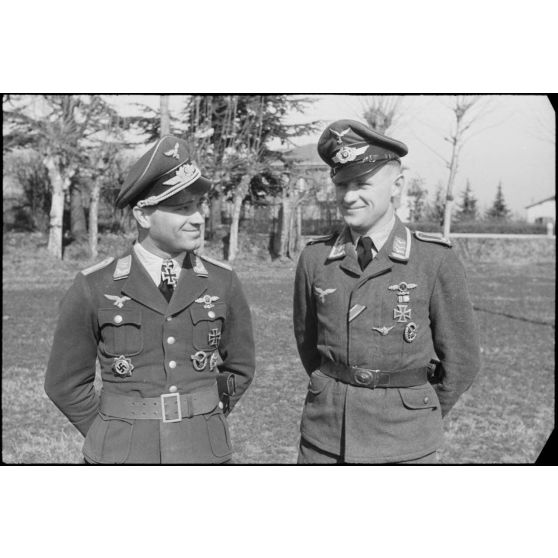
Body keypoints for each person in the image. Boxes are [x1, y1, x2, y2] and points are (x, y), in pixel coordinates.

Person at [45, 135, 255, 464]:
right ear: (144, 215)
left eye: (198, 206)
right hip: (120, 453)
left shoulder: (222, 281)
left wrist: (204, 418)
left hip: (203, 451)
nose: (199, 217)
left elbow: (240, 369)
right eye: (183, 208)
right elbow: (64, 383)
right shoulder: (95, 285)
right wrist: (109, 431)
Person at [293, 120, 481, 464]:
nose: (349, 196)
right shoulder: (315, 259)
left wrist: (414, 411)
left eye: (362, 184)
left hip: (405, 443)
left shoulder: (434, 260)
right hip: (325, 439)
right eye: (342, 184)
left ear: (397, 186)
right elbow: (309, 346)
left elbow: (463, 360)